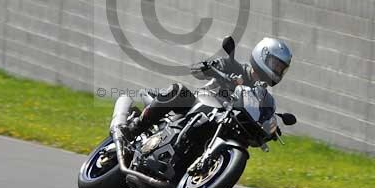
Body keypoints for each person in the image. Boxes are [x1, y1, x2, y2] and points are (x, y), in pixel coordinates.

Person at [120, 38, 293, 140]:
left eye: (281, 68)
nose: (277, 71)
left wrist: (271, 127)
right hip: (197, 106)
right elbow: (196, 70)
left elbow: (264, 115)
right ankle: (135, 128)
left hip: (223, 123)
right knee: (177, 90)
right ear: (262, 55)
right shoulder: (233, 66)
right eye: (275, 65)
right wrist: (209, 66)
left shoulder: (263, 97)